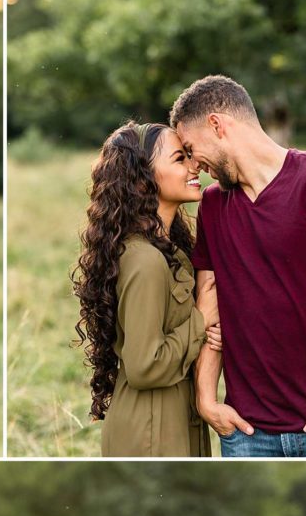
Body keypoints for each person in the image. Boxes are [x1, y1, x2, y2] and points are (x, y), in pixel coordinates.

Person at [170, 74, 306, 458]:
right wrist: (207, 399)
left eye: (191, 149)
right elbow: (210, 304)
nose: (194, 164)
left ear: (217, 125)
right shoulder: (212, 205)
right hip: (246, 435)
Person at [73, 121, 221, 457]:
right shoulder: (145, 260)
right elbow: (144, 366)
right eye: (180, 159)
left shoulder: (168, 249)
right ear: (143, 181)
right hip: (151, 434)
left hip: (171, 420)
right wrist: (201, 319)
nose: (194, 165)